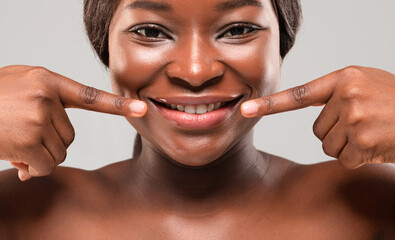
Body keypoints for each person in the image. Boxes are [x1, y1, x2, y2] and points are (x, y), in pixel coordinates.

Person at [0, 0, 394, 238]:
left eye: (238, 29)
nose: (195, 70)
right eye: (150, 31)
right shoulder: (19, 206)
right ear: (106, 49)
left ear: (282, 45)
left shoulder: (372, 202)